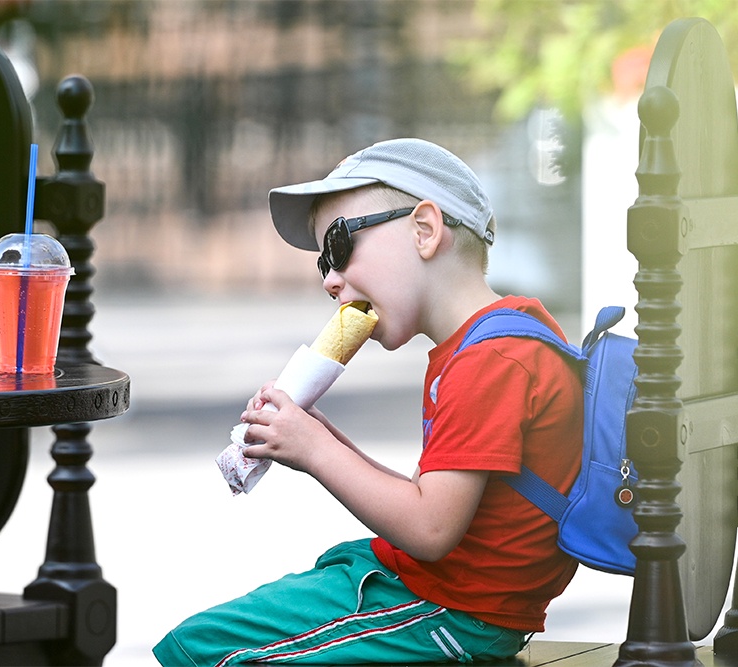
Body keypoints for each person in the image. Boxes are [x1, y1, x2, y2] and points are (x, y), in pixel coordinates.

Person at [153, 138, 584, 665]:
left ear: (424, 231)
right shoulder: (502, 339)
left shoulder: (490, 362)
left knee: (201, 647)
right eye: (322, 265)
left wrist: (314, 451)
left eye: (337, 247)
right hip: (441, 595)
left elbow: (430, 529)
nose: (330, 279)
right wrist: (317, 434)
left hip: (450, 612)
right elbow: (439, 500)